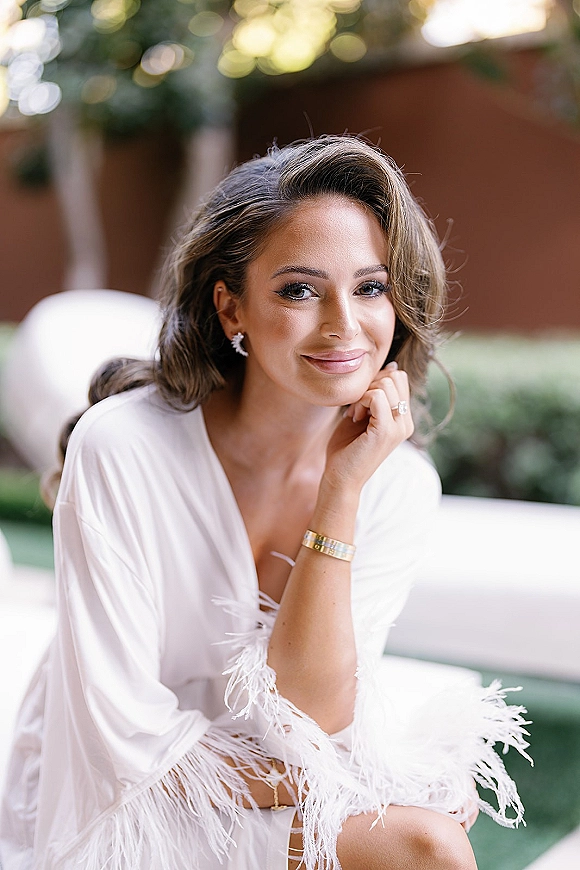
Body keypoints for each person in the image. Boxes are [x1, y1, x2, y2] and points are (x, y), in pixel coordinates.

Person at [0, 135, 530, 870]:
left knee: (429, 847)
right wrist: (349, 781)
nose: (346, 324)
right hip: (116, 798)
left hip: (262, 777)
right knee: (426, 841)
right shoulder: (121, 448)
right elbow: (122, 739)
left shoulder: (396, 483)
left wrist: (340, 493)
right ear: (231, 308)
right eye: (300, 290)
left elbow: (311, 718)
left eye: (371, 287)